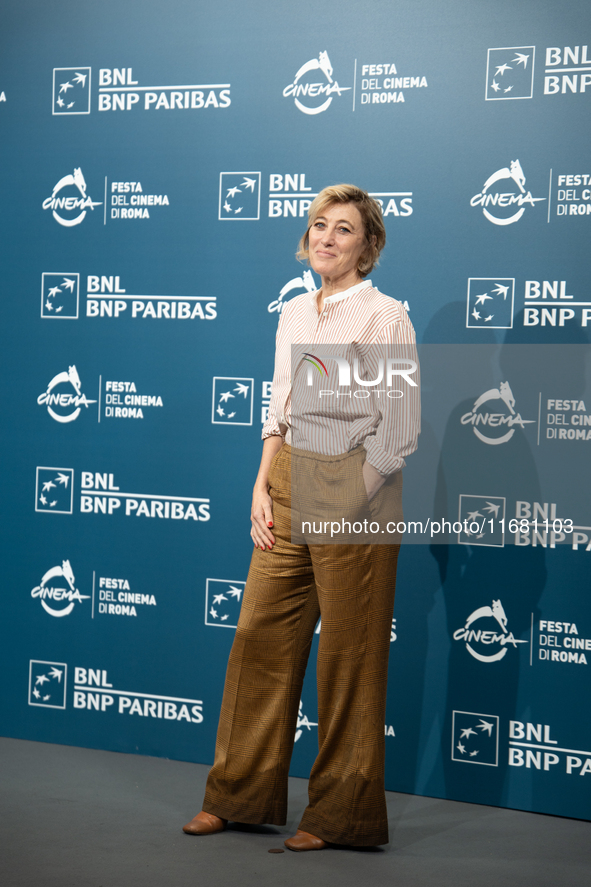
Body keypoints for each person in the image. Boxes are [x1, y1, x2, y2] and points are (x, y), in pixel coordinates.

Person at [183, 184, 420, 850]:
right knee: (259, 635)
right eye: (318, 225)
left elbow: (397, 431)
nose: (326, 237)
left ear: (368, 245)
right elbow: (278, 406)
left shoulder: (385, 318)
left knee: (349, 656)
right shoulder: (292, 311)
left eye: (343, 228)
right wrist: (262, 481)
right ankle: (236, 795)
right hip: (288, 481)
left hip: (357, 488)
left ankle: (337, 815)